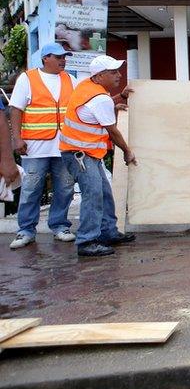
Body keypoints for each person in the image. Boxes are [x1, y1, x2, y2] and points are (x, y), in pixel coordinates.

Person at [60, 55, 137, 257]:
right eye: (113, 72)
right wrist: (127, 151)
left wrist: (118, 98)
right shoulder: (99, 97)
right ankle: (87, 241)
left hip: (83, 153)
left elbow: (91, 109)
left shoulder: (88, 86)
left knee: (103, 192)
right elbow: (113, 131)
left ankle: (108, 232)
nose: (119, 75)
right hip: (80, 155)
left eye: (118, 71)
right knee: (93, 195)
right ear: (100, 75)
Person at [8, 42, 78, 250]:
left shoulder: (71, 79)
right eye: (59, 58)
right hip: (34, 146)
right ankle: (26, 230)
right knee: (31, 190)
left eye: (64, 57)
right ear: (46, 58)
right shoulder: (27, 78)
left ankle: (59, 226)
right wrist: (17, 138)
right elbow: (16, 109)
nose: (63, 61)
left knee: (65, 188)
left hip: (64, 146)